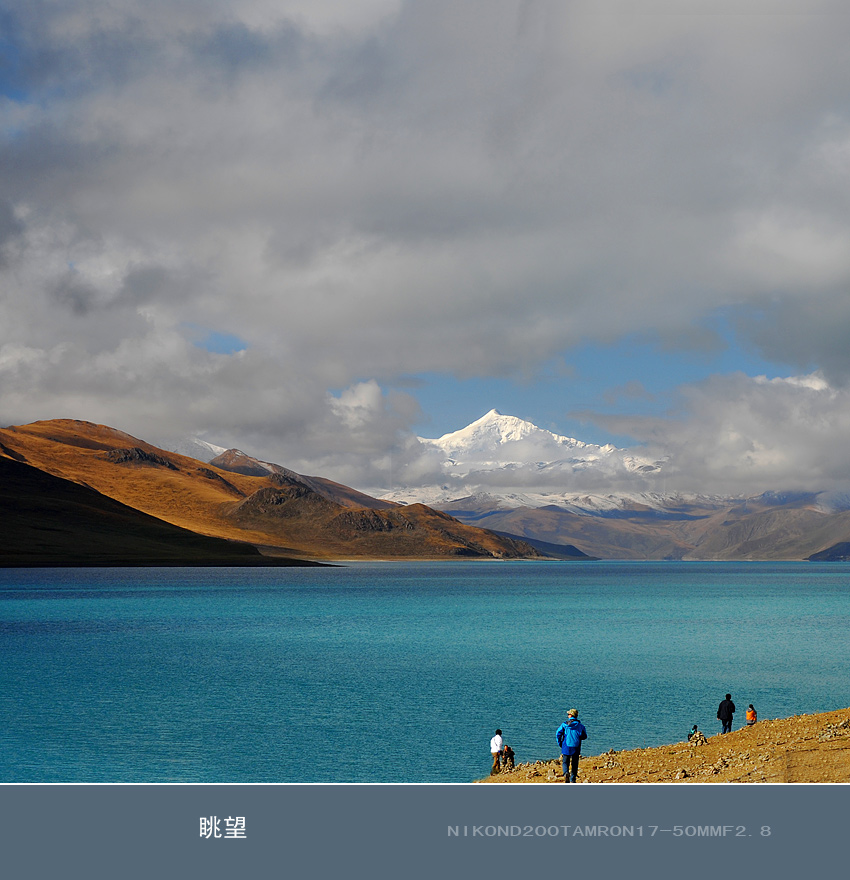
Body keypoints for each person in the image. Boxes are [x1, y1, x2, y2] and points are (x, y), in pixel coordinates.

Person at [556, 708, 587, 783]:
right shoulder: (581, 726)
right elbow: (584, 736)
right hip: (576, 747)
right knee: (575, 763)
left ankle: (566, 773)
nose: (567, 715)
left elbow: (558, 734)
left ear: (571, 715)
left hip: (566, 746)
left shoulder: (564, 725)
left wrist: (560, 743)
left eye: (568, 714)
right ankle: (573, 779)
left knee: (565, 762)